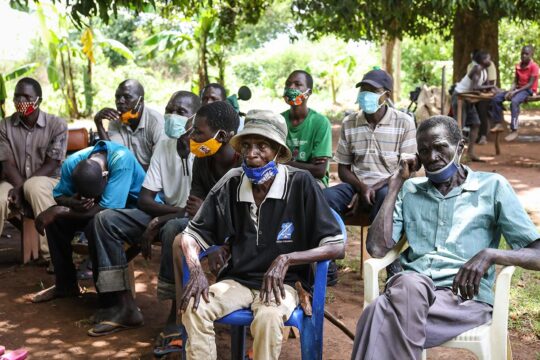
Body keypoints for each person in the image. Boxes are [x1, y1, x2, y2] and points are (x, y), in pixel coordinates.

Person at [351, 115, 540, 360]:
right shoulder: (411, 190)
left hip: (463, 301)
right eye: (424, 151)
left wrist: (491, 254)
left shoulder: (493, 186)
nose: (431, 157)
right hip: (411, 294)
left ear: (459, 147)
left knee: (378, 311)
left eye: (440, 147)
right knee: (407, 285)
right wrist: (395, 183)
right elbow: (376, 248)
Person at [177, 110, 345, 360]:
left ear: (278, 152)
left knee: (268, 316)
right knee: (194, 306)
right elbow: (190, 235)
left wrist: (287, 259)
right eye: (246, 146)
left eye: (262, 146)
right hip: (238, 281)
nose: (252, 154)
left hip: (284, 285)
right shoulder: (232, 182)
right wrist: (197, 269)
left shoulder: (301, 183)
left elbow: (336, 246)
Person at [79, 91, 201, 339]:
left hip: (192, 219)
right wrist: (164, 216)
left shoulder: (205, 150)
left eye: (181, 112)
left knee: (172, 229)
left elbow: (201, 208)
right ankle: (123, 305)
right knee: (104, 220)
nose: (172, 116)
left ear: (195, 118)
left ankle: (175, 312)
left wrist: (161, 220)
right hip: (167, 212)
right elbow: (146, 199)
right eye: (170, 109)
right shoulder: (165, 146)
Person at [30, 140, 145, 309]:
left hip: (132, 210)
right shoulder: (72, 164)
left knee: (95, 226)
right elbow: (60, 195)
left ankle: (109, 299)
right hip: (99, 211)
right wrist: (70, 202)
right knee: (57, 223)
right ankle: (65, 285)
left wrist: (61, 210)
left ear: (106, 175)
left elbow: (107, 210)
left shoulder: (122, 161)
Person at [324, 69, 417, 223]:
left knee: (383, 197)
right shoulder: (350, 123)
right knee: (325, 198)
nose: (366, 94)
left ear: (387, 95)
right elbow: (343, 169)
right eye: (363, 89)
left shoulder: (404, 122)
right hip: (356, 185)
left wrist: (372, 189)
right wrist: (361, 188)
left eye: (373, 90)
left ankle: (378, 246)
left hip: (389, 186)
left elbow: (407, 172)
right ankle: (334, 243)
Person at [0, 77, 67, 262]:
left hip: (48, 181)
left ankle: (52, 255)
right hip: (13, 179)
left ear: (39, 100)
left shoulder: (57, 125)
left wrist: (22, 188)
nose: (20, 101)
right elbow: (7, 165)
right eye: (17, 96)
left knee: (34, 187)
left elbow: (52, 164)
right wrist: (20, 187)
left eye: (26, 96)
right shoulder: (4, 126)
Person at [94, 79, 164, 169]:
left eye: (127, 97)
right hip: (127, 171)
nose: (120, 101)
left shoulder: (156, 122)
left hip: (152, 176)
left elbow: (160, 165)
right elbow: (114, 155)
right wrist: (98, 123)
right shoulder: (115, 120)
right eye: (117, 97)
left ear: (140, 101)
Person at [281, 70, 332, 187]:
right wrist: (308, 166)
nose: (291, 87)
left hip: (314, 182)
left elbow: (319, 171)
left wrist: (283, 162)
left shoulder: (320, 123)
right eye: (288, 84)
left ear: (308, 93)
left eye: (297, 84)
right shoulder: (279, 121)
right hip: (283, 178)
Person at [451, 50, 494, 161]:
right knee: (459, 126)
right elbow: (475, 88)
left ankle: (470, 153)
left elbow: (485, 86)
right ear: (482, 61)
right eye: (488, 59)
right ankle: (455, 156)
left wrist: (493, 88)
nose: (490, 61)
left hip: (469, 99)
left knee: (476, 124)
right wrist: (489, 88)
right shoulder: (477, 69)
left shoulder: (484, 70)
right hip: (460, 97)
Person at [490, 45, 539, 142]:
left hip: (528, 90)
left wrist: (515, 92)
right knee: (496, 98)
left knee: (514, 102)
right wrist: (511, 91)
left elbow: (530, 84)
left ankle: (514, 129)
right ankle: (498, 123)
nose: (524, 56)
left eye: (526, 54)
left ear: (531, 55)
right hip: (518, 89)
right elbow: (515, 82)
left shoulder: (534, 66)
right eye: (522, 53)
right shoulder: (518, 65)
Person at [467, 50, 498, 145]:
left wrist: (491, 89)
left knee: (482, 112)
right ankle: (471, 136)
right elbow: (472, 84)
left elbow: (490, 82)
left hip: (484, 94)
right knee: (471, 114)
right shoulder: (473, 67)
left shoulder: (488, 67)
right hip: (474, 93)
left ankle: (483, 136)